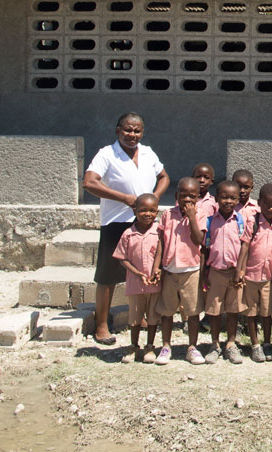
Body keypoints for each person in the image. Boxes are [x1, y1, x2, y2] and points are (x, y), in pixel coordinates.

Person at [82, 112, 169, 345]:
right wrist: (125, 198)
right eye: (128, 130)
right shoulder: (107, 154)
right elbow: (89, 182)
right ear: (118, 130)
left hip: (145, 223)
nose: (132, 135)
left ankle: (140, 318)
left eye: (137, 130)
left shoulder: (148, 152)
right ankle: (101, 325)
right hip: (116, 222)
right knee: (108, 276)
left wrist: (154, 198)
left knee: (144, 271)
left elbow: (164, 177)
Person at [152, 177, 205, 366]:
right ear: (177, 196)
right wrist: (157, 266)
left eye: (192, 196)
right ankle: (166, 346)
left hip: (191, 271)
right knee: (167, 311)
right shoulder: (168, 214)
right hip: (170, 270)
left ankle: (192, 346)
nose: (187, 200)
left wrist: (191, 217)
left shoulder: (200, 215)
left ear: (198, 198)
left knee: (192, 311)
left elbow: (199, 239)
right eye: (183, 196)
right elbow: (161, 242)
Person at [111, 193, 162, 364]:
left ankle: (150, 346)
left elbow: (162, 255)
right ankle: (133, 346)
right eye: (143, 210)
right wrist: (137, 273)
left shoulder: (159, 232)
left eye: (152, 211)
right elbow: (122, 258)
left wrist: (158, 271)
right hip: (135, 284)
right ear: (135, 211)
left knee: (153, 317)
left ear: (157, 212)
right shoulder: (128, 234)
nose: (147, 214)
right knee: (135, 317)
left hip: (155, 284)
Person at [201, 180, 246, 365]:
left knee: (233, 310)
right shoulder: (210, 221)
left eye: (232, 198)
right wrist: (205, 273)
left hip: (234, 273)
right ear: (217, 198)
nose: (228, 201)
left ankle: (230, 343)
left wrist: (240, 270)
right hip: (216, 272)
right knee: (214, 311)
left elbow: (245, 245)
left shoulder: (240, 220)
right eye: (224, 197)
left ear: (238, 199)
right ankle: (214, 344)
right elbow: (205, 247)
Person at [238, 184, 272, 364]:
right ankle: (255, 344)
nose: (271, 209)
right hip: (251, 275)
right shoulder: (253, 222)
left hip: (268, 277)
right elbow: (245, 246)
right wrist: (240, 270)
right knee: (251, 312)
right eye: (267, 205)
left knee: (266, 312)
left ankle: (267, 342)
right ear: (260, 203)